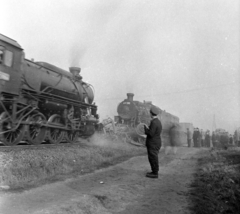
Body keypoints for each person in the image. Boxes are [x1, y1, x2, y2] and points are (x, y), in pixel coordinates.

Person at [144, 106, 162, 178]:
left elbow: (151, 134)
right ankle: (154, 171)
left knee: (153, 158)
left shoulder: (154, 122)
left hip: (153, 143)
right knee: (153, 157)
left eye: (150, 113)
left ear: (151, 114)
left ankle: (155, 173)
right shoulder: (158, 121)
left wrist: (145, 129)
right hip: (156, 142)